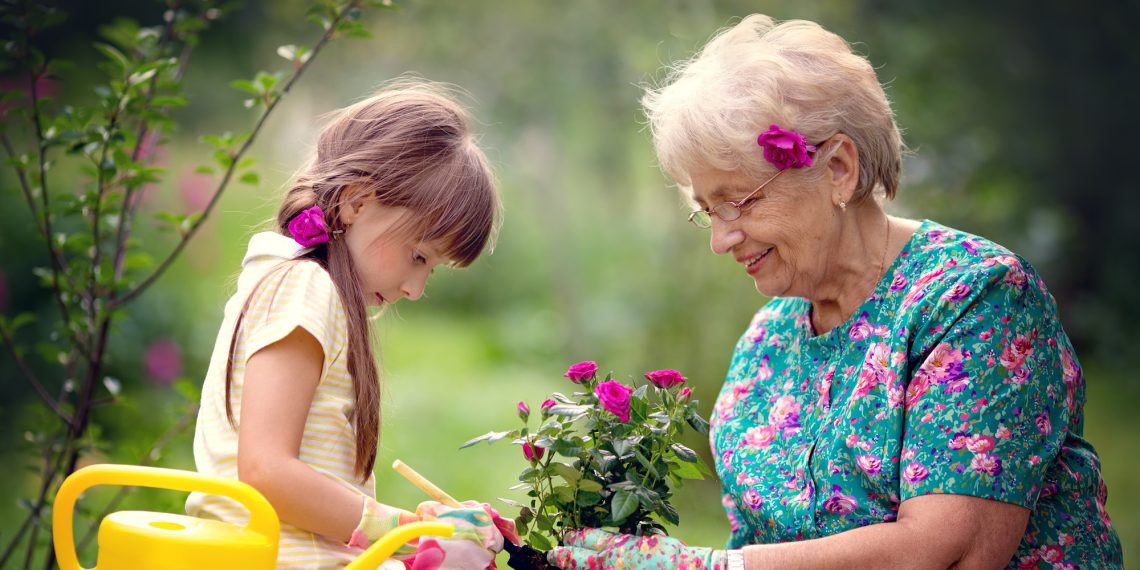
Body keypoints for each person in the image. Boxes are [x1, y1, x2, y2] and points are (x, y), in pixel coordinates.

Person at [549, 15, 1123, 570]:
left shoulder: (977, 299)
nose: (720, 240)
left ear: (839, 169)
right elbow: (761, 547)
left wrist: (704, 568)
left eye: (737, 202)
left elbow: (950, 553)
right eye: (707, 212)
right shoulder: (765, 341)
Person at [186, 80, 512, 569]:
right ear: (357, 202)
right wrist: (406, 534)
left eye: (432, 269)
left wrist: (418, 529)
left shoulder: (305, 288)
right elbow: (265, 470)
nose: (415, 289)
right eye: (418, 255)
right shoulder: (305, 288)